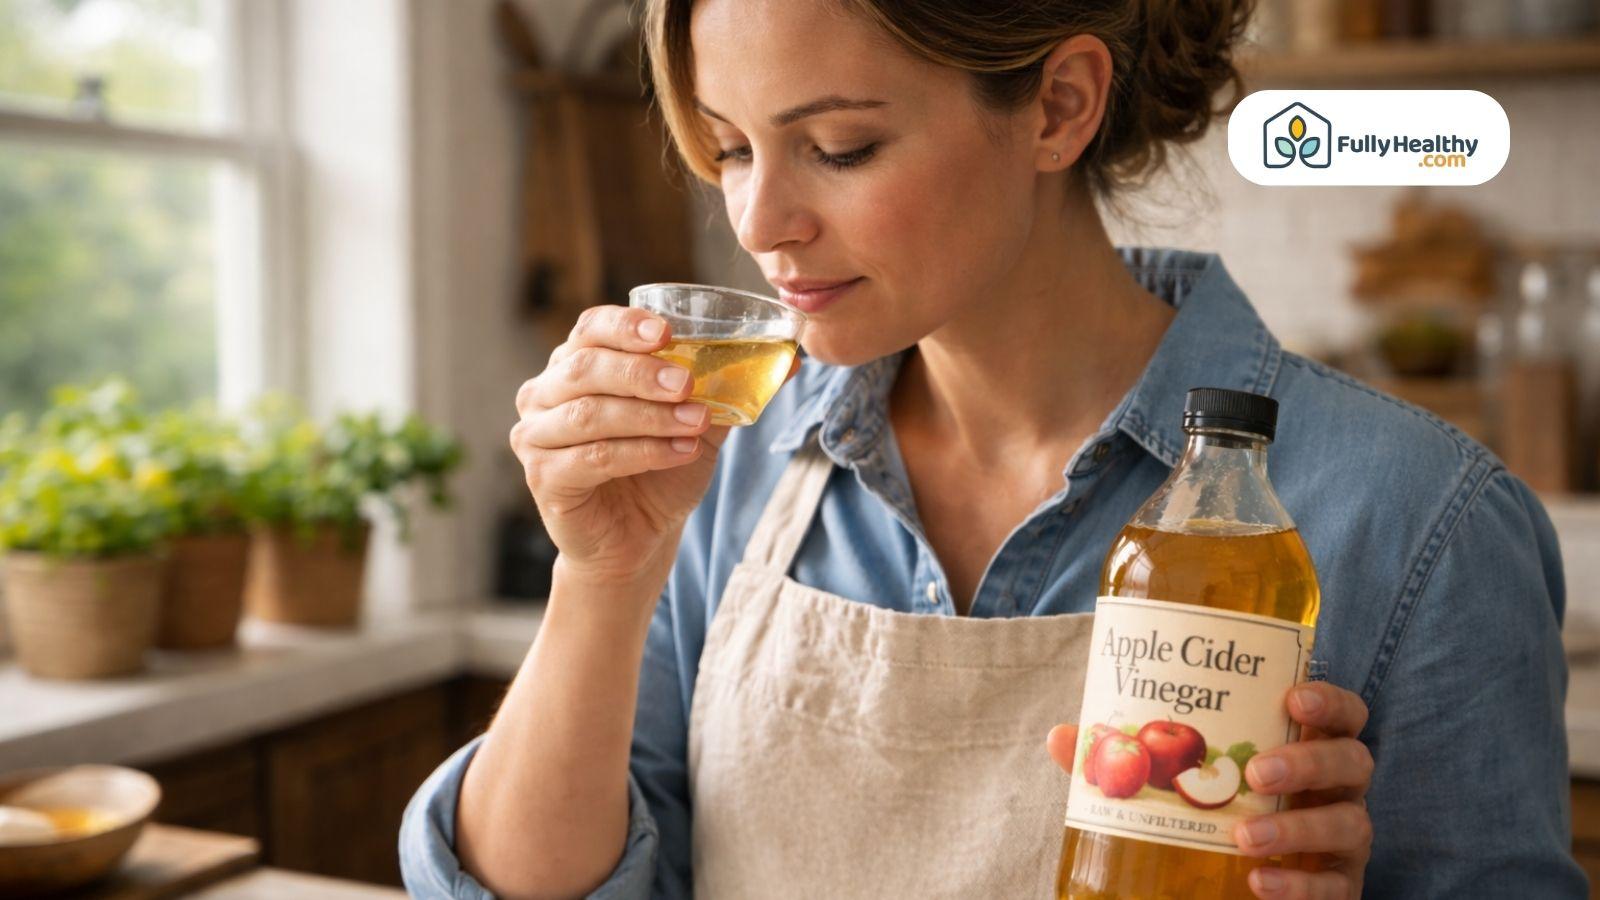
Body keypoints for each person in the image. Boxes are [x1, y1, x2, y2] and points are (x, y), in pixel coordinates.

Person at [400, 0, 1585, 897]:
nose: (758, 224)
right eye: (732, 148)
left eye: (841, 147)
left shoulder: (1415, 519)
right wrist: (601, 578)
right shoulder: (733, 463)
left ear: (1060, 106)